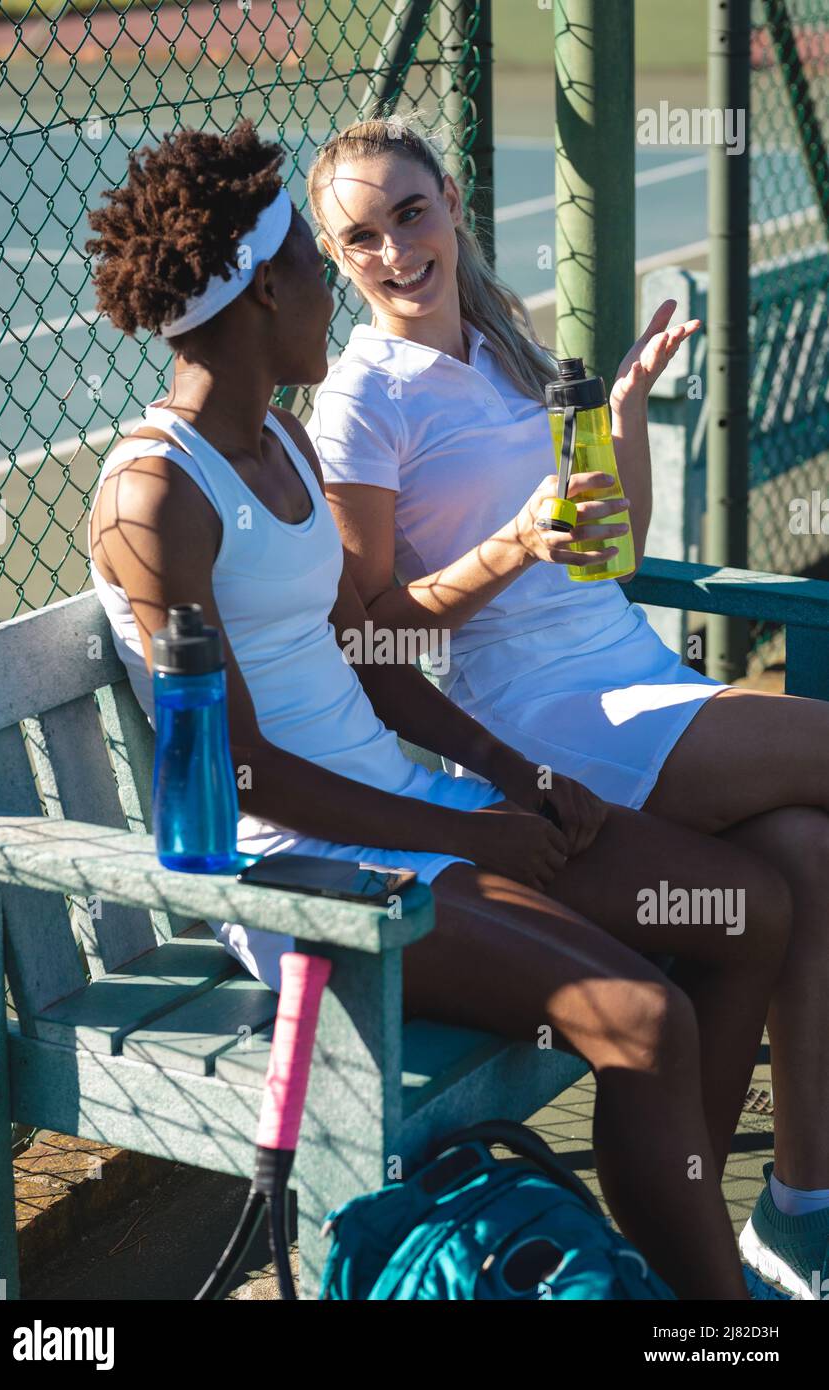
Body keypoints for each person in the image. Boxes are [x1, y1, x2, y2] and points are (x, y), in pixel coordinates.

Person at [85, 118, 794, 1300]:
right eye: (323, 259)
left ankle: (666, 1253)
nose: (342, 281)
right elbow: (239, 773)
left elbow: (363, 650)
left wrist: (508, 774)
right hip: (300, 873)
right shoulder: (154, 495)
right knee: (645, 1019)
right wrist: (465, 832)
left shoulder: (277, 444)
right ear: (266, 292)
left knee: (747, 906)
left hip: (413, 815)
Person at [305, 113, 829, 1299]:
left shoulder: (503, 339)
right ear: (336, 260)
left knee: (807, 852)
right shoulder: (359, 402)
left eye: (408, 213)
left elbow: (610, 546)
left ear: (448, 198)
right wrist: (503, 546)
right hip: (541, 714)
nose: (392, 250)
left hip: (630, 667)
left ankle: (786, 1217)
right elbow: (369, 633)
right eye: (359, 238)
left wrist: (629, 406)